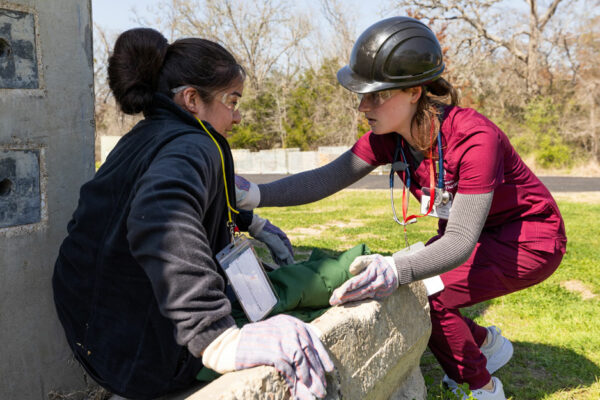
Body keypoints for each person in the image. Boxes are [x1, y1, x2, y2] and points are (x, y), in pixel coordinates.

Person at [235, 16, 567, 400]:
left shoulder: (475, 139)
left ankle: (483, 388)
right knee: (428, 281)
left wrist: (396, 268)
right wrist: (255, 195)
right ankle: (486, 346)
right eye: (362, 94)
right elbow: (325, 179)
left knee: (431, 290)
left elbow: (458, 242)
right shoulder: (388, 137)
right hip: (475, 236)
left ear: (413, 91)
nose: (363, 106)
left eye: (376, 95)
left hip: (528, 241)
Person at [52, 28, 332, 400]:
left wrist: (254, 222)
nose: (236, 118)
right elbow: (159, 215)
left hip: (91, 322)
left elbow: (193, 196)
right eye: (232, 101)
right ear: (191, 99)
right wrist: (215, 335)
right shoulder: (194, 144)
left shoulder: (146, 136)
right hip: (136, 344)